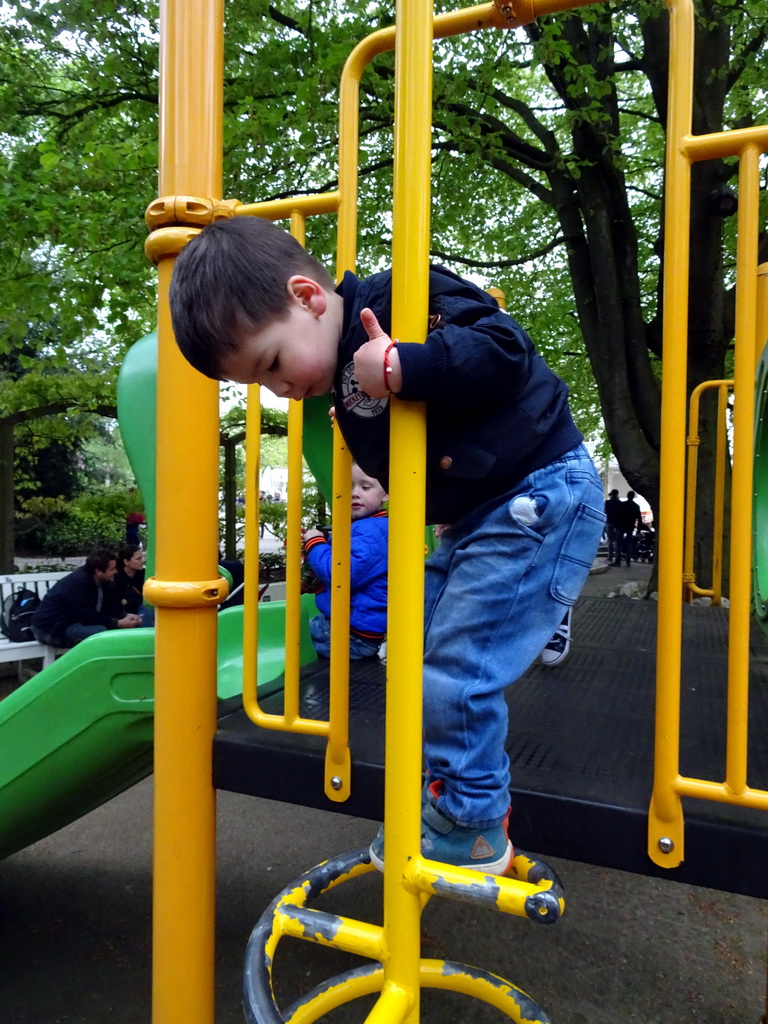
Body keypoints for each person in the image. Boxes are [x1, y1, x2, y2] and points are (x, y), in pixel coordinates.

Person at [169, 216, 605, 876]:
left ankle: (474, 823)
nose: (279, 390)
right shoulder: (333, 377)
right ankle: (449, 795)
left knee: (456, 667)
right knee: (415, 650)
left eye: (273, 365)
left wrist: (408, 362)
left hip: (536, 493)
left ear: (308, 297)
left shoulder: (399, 297)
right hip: (476, 518)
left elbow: (503, 348)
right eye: (259, 385)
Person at [302, 463, 388, 660]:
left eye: (365, 487)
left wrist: (314, 543)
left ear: (386, 494)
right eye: (349, 486)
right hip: (359, 628)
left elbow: (342, 573)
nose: (355, 493)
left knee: (289, 635)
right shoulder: (375, 526)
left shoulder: (371, 530)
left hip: (349, 634)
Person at [31, 549, 142, 649]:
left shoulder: (105, 581)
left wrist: (124, 615)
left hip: (74, 622)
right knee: (100, 633)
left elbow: (110, 606)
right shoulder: (78, 583)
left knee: (131, 629)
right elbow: (86, 616)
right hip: (50, 628)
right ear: (98, 571)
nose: (116, 572)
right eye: (112, 569)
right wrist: (117, 623)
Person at [113, 543, 155, 626]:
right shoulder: (115, 577)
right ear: (126, 561)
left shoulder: (143, 574)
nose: (142, 561)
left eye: (142, 557)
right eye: (138, 559)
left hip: (140, 609)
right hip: (122, 613)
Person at [614, 490, 642, 566]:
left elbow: (618, 516)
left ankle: (618, 561)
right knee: (629, 544)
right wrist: (638, 530)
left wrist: (615, 526)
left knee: (619, 543)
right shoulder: (636, 506)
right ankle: (628, 562)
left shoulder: (622, 505)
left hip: (621, 525)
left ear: (627, 496)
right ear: (633, 497)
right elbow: (639, 519)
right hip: (630, 526)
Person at [604, 488, 622, 564]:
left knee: (610, 540)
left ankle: (610, 556)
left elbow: (605, 511)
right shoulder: (620, 503)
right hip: (618, 523)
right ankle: (618, 556)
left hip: (609, 522)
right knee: (618, 541)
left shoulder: (607, 502)